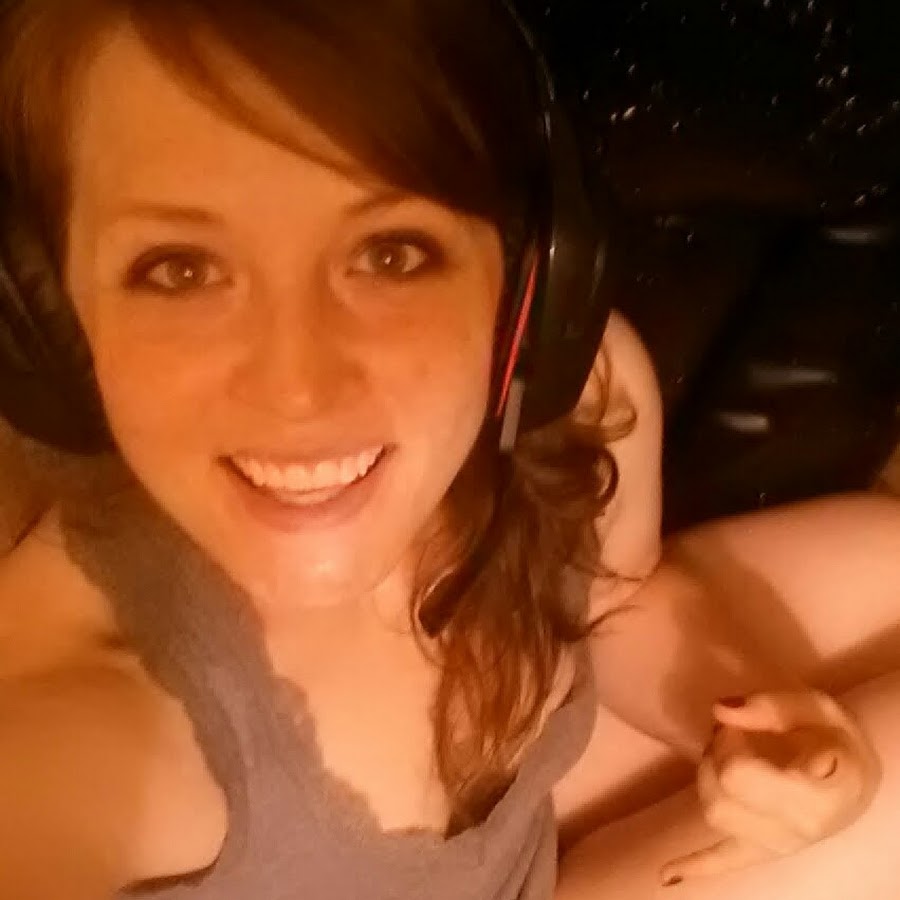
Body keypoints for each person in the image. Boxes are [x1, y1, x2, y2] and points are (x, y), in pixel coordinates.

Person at [0, 1, 898, 898]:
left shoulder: (573, 395)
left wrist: (753, 725)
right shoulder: (71, 735)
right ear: (53, 318)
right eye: (181, 270)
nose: (299, 393)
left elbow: (616, 598)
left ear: (530, 276)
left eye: (390, 253)